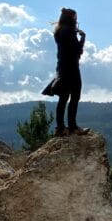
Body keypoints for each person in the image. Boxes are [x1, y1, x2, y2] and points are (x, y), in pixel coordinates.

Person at [42, 7, 88, 135]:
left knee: (63, 97)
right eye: (75, 18)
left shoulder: (59, 31)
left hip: (62, 67)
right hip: (72, 68)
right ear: (71, 19)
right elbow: (77, 50)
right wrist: (83, 37)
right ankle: (72, 127)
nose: (76, 20)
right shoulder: (69, 31)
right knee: (75, 96)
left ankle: (60, 128)